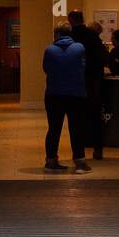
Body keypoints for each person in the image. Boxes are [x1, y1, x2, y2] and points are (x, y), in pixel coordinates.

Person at [42, 22, 91, 174]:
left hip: (54, 94)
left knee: (54, 129)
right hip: (76, 94)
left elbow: (46, 69)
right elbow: (84, 67)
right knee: (77, 128)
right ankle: (80, 162)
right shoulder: (80, 48)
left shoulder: (49, 50)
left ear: (56, 34)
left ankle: (51, 160)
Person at [68, 10, 108, 160]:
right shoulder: (93, 36)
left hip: (75, 83)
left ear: (70, 20)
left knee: (76, 119)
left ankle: (78, 152)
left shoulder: (70, 36)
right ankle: (98, 148)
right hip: (93, 83)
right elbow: (104, 58)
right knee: (96, 117)